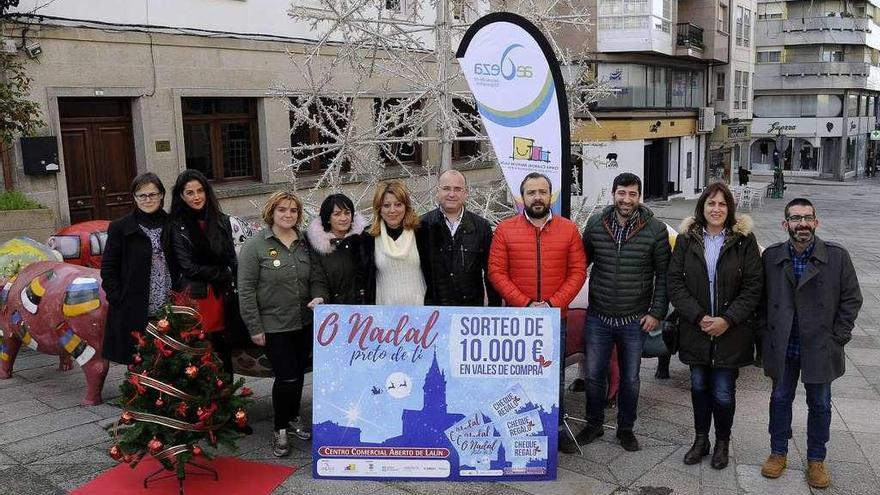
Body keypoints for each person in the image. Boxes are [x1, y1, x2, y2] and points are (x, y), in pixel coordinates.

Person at [759, 198, 862, 489]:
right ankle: (778, 452)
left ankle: (816, 459)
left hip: (819, 346)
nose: (801, 223)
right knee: (779, 399)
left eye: (807, 218)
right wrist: (764, 334)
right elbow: (760, 301)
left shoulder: (836, 256)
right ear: (785, 224)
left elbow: (852, 299)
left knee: (820, 403)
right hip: (784, 345)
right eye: (795, 218)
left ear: (816, 222)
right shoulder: (773, 256)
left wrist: (838, 337)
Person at [488, 172, 587, 454]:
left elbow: (578, 271)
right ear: (522, 198)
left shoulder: (568, 229)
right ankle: (517, 430)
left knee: (553, 375)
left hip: (556, 319)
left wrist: (553, 304)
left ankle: (555, 429)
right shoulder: (505, 230)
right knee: (517, 376)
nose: (537, 197)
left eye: (543, 191)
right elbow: (497, 272)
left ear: (551, 196)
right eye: (531, 192)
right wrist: (526, 305)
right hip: (519, 320)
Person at [667, 183, 763, 469]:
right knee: (698, 387)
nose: (716, 209)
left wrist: (727, 320)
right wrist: (698, 316)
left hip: (730, 333)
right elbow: (675, 282)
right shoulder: (687, 239)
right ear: (702, 207)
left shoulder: (744, 240)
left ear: (729, 208)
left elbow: (753, 287)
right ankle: (700, 440)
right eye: (711, 203)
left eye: (722, 204)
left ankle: (722, 442)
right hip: (696, 330)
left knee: (722, 391)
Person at [578, 172, 670, 452]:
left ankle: (625, 429)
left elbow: (664, 275)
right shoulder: (595, 224)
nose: (626, 199)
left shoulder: (655, 229)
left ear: (638, 196)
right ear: (613, 194)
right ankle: (593, 424)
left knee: (630, 378)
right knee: (594, 375)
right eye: (622, 193)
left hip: (634, 318)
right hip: (599, 316)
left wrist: (656, 312)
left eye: (632, 194)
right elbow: (579, 263)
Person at [237, 191, 328, 457]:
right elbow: (246, 289)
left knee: (298, 375)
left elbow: (315, 277)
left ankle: (293, 416)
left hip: (304, 322)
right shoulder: (255, 246)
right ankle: (279, 428)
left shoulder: (305, 243)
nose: (288, 215)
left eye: (293, 211)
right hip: (274, 325)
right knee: (286, 376)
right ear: (271, 212)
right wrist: (254, 327)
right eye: (282, 210)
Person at [169, 169, 239, 378]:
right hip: (196, 298)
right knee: (199, 353)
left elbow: (230, 258)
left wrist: (229, 274)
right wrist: (220, 273)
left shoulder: (221, 220)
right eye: (190, 192)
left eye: (200, 191)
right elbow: (187, 266)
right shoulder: (177, 226)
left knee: (223, 352)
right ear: (181, 196)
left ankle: (226, 400)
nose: (196, 197)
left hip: (222, 296)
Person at [101, 173, 175, 364]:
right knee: (138, 358)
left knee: (170, 358)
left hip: (170, 304)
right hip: (134, 306)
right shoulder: (120, 227)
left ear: (161, 195)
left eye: (152, 194)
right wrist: (117, 297)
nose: (148, 199)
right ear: (134, 197)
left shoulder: (173, 224)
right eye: (142, 195)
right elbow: (109, 268)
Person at [420, 169, 500, 307]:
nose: (451, 194)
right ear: (437, 191)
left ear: (466, 193)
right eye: (446, 189)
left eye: (457, 189)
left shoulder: (481, 227)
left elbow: (491, 273)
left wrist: (495, 310)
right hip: (433, 312)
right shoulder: (422, 225)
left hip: (470, 311)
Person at [360, 180, 428, 305]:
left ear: (406, 207)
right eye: (386, 205)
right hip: (385, 315)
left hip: (421, 313)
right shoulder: (369, 237)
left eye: (398, 204)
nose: (392, 210)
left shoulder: (422, 232)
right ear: (379, 208)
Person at [306, 193, 367, 304]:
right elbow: (318, 279)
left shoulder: (364, 240)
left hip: (366, 310)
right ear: (328, 218)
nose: (343, 218)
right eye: (337, 214)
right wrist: (320, 297)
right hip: (336, 313)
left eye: (347, 213)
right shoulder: (320, 247)